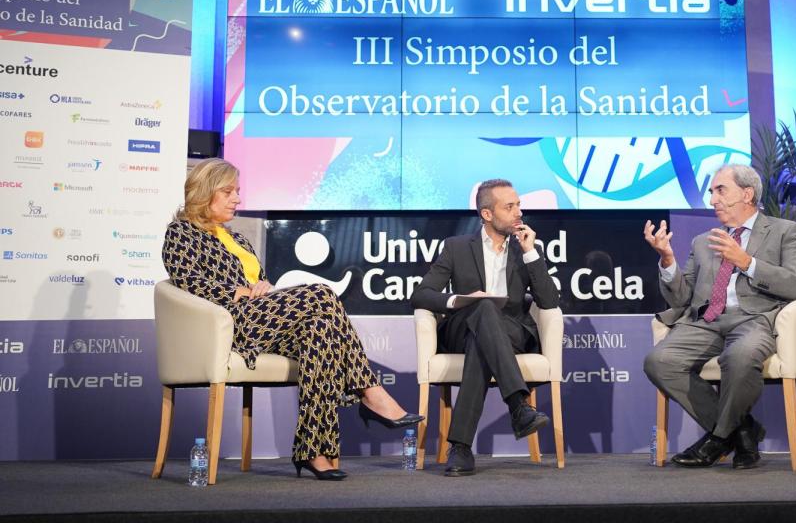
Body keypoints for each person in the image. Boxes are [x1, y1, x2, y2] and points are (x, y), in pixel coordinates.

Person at [162, 158, 422, 481]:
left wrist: (263, 287)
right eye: (228, 191)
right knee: (322, 293)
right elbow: (188, 281)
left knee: (321, 330)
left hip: (264, 318)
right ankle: (369, 391)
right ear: (205, 192)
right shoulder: (181, 233)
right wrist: (238, 292)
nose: (237, 199)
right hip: (231, 324)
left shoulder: (237, 240)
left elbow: (263, 284)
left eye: (237, 191)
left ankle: (313, 451)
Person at [642, 164, 796, 469]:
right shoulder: (703, 241)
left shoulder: (785, 231)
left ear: (747, 194)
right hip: (706, 321)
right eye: (711, 192)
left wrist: (746, 262)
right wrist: (667, 260)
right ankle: (741, 431)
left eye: (721, 190)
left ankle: (719, 438)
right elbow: (681, 297)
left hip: (753, 318)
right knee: (659, 361)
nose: (713, 199)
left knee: (742, 356)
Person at [411, 179, 560, 476]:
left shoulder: (526, 249)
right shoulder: (456, 247)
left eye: (518, 204)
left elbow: (548, 301)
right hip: (463, 328)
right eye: (510, 207)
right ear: (487, 214)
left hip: (512, 332)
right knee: (482, 307)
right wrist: (461, 300)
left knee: (483, 338)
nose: (519, 212)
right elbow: (421, 294)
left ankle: (461, 448)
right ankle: (519, 406)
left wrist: (531, 253)